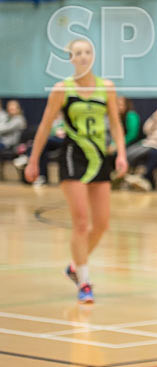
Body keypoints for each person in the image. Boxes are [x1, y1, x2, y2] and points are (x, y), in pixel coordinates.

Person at [24, 39, 127, 303]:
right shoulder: (62, 89)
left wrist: (122, 154)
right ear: (70, 59)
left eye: (87, 52)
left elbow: (115, 124)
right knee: (81, 222)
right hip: (73, 157)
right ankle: (84, 282)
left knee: (102, 224)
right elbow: (46, 126)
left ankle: (74, 265)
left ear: (93, 56)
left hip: (100, 157)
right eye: (77, 53)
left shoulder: (107, 88)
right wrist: (34, 160)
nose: (83, 56)